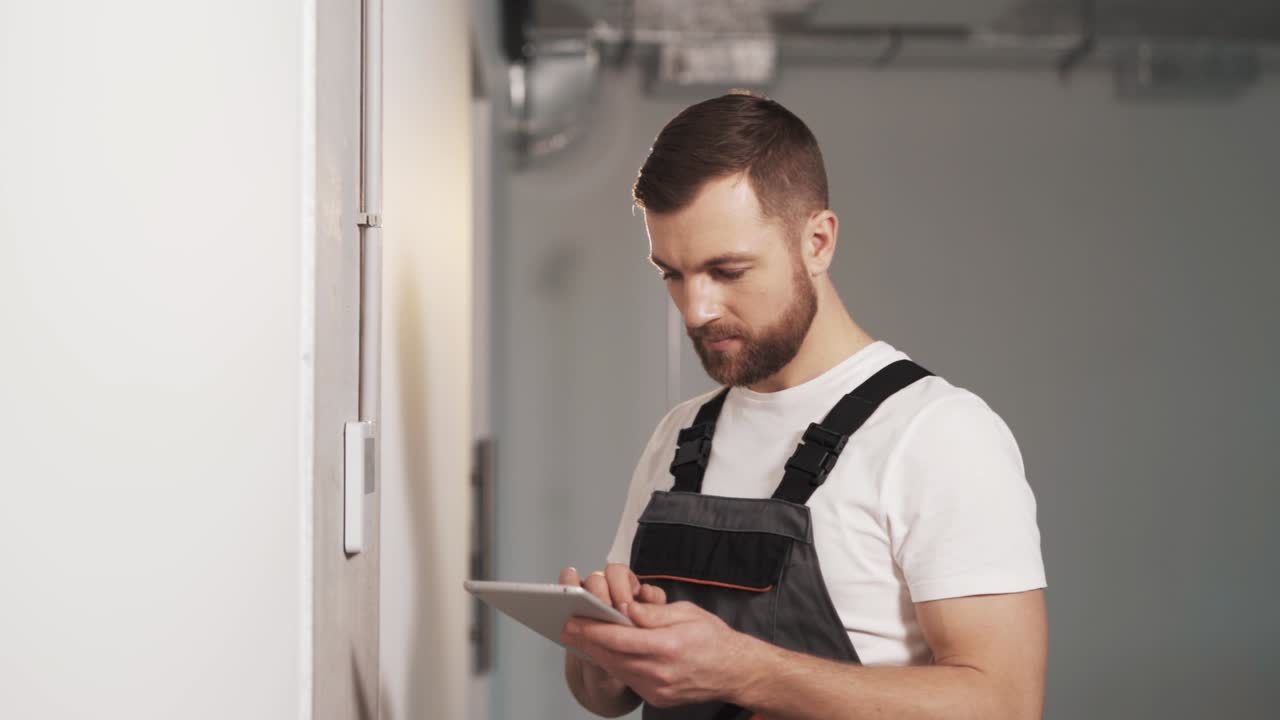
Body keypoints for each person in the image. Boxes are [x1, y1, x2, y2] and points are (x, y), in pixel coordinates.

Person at [558, 91, 1047, 720]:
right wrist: (602, 661)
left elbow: (1005, 703)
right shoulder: (679, 435)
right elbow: (605, 697)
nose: (696, 309)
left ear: (817, 241)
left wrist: (745, 670)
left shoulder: (938, 434)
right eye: (672, 274)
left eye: (727, 271)